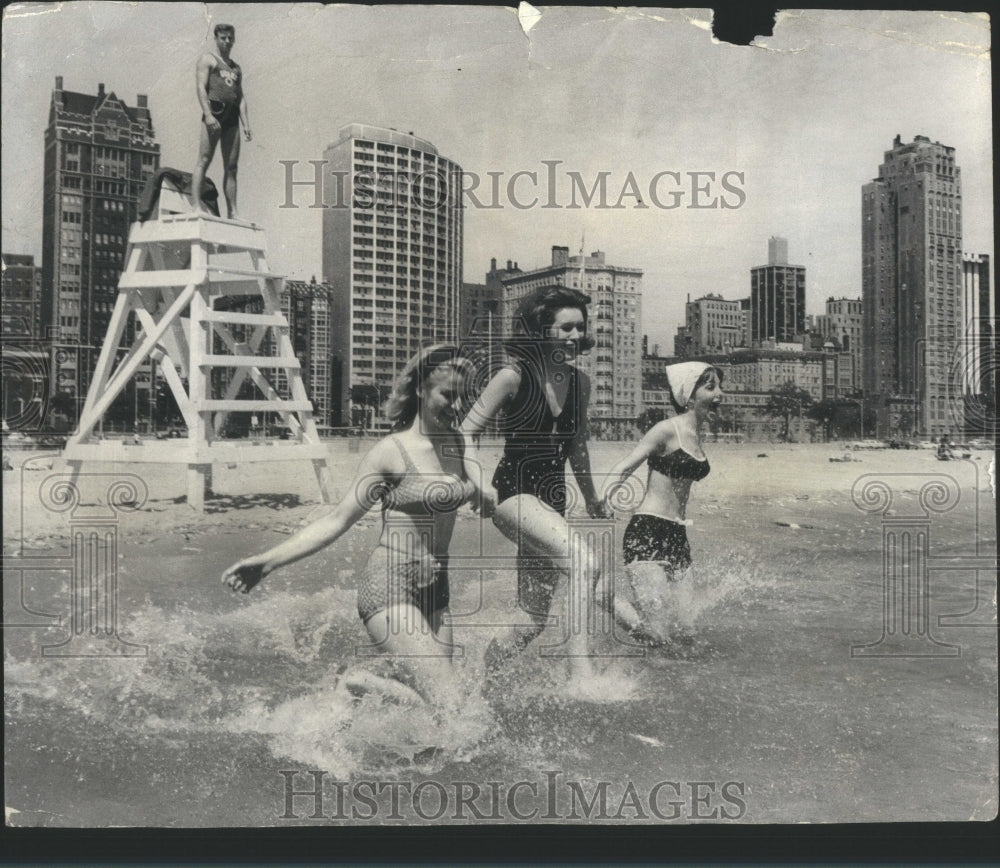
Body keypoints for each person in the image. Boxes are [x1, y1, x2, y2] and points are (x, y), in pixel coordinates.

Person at [221, 345, 475, 710]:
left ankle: (362, 685)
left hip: (437, 588)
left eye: (464, 397)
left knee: (434, 710)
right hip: (391, 587)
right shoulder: (390, 452)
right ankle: (358, 683)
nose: (457, 406)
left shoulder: (459, 443)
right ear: (420, 389)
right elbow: (337, 519)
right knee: (452, 706)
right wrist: (266, 562)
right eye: (448, 395)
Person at [461, 286, 611, 683]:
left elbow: (577, 446)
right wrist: (477, 483)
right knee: (584, 564)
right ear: (540, 330)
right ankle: (582, 675)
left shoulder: (580, 383)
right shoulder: (513, 376)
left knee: (531, 621)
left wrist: (593, 498)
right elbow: (465, 433)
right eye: (565, 328)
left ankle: (477, 680)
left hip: (552, 504)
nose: (575, 336)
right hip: (513, 496)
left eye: (580, 328)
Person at [602, 362, 724, 644]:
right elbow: (624, 466)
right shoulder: (666, 429)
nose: (720, 393)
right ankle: (602, 595)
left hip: (677, 535)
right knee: (657, 634)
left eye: (719, 386)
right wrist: (605, 498)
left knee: (686, 634)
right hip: (648, 530)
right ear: (688, 395)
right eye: (711, 387)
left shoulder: (697, 434)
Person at [192, 24, 252, 219]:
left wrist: (246, 124)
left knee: (232, 166)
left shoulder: (236, 68)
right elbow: (201, 87)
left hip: (232, 118)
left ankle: (233, 211)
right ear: (216, 38)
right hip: (214, 112)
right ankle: (196, 206)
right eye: (223, 38)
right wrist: (208, 115)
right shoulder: (208, 60)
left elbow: (241, 97)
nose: (227, 42)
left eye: (230, 38)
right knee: (204, 159)